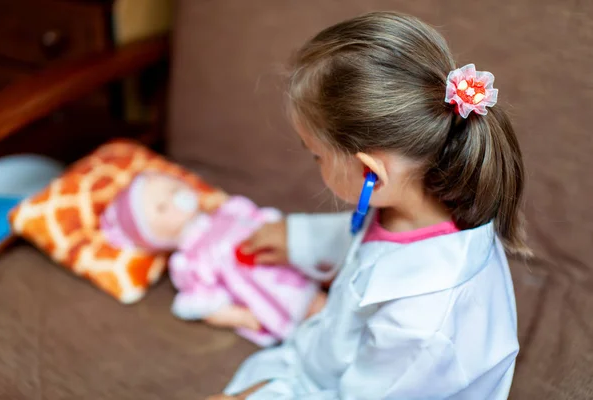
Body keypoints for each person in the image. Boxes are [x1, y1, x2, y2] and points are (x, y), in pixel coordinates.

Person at [208, 11, 527, 400]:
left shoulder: (422, 323)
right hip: (329, 355)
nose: (315, 164)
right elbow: (371, 242)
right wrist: (297, 238)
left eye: (316, 156)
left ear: (369, 173)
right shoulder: (414, 200)